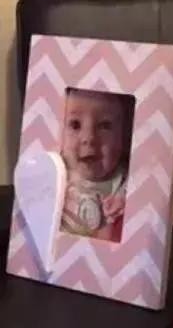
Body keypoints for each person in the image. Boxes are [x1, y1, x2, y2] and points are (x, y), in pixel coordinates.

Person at [60, 88, 130, 242]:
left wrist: (124, 202)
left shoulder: (127, 181)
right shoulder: (58, 175)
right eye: (75, 125)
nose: (89, 138)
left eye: (104, 126)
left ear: (123, 138)